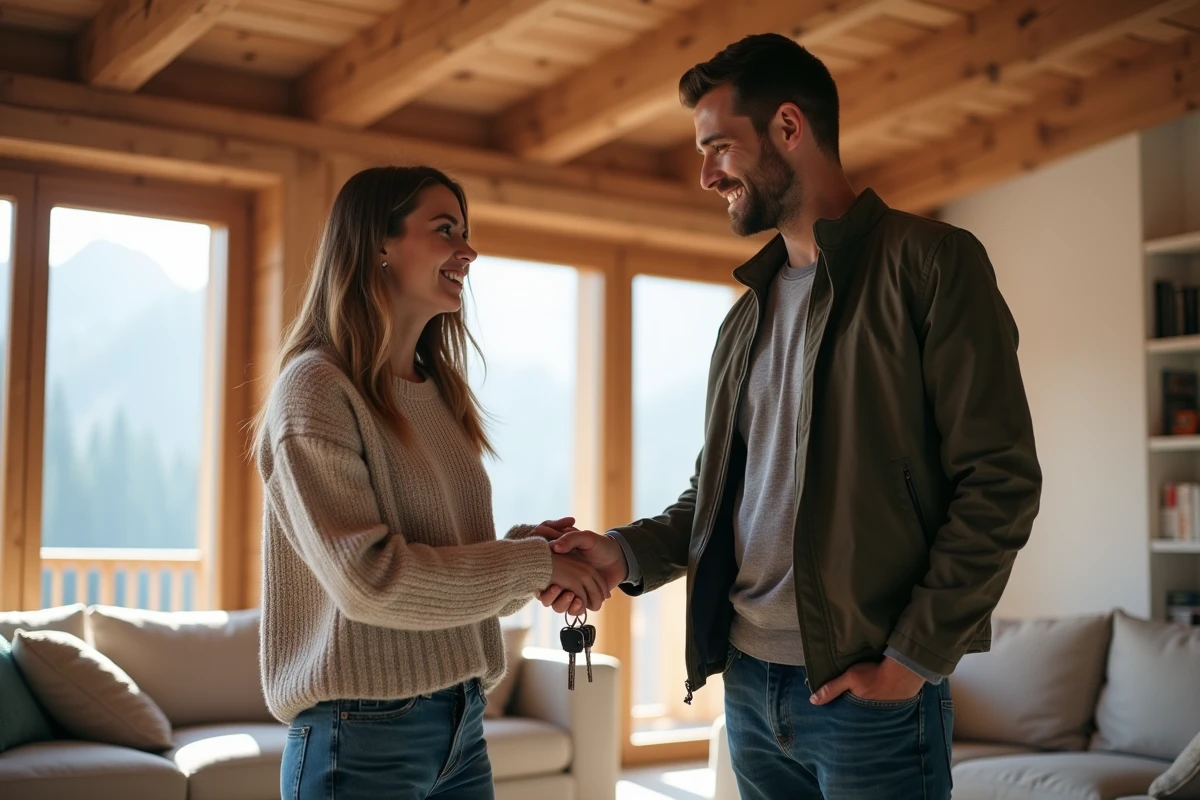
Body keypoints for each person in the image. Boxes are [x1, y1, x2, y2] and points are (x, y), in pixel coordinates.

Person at [535, 33, 1042, 800]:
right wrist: (620, 553)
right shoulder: (744, 320)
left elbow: (1000, 482)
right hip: (748, 688)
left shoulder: (932, 264)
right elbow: (717, 500)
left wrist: (911, 660)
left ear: (788, 129)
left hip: (868, 694)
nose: (705, 174)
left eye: (718, 148)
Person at [250, 165, 607, 800]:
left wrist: (532, 553)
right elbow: (370, 581)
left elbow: (440, 581)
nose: (468, 251)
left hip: (461, 726)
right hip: (359, 739)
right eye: (446, 230)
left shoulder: (439, 392)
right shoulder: (316, 391)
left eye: (466, 232)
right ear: (377, 244)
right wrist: (528, 565)